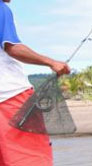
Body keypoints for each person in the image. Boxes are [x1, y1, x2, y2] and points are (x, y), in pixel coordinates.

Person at [0, 0, 70, 165]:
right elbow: (12, 47)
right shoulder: (1, 9)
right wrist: (51, 62)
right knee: (31, 158)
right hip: (11, 97)